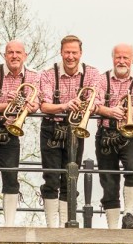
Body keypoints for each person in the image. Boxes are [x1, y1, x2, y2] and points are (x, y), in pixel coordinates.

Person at [37, 35, 104, 228]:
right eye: (67, 52)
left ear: (80, 53)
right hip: (51, 127)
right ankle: (51, 226)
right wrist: (66, 105)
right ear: (61, 52)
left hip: (75, 129)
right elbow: (44, 106)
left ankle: (67, 223)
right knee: (50, 177)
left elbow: (96, 101)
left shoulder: (92, 73)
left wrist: (84, 105)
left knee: (70, 177)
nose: (71, 56)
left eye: (74, 52)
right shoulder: (49, 74)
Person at [0, 40, 39, 226]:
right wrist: (13, 104)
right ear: (5, 56)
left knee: (11, 176)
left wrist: (28, 105)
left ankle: (9, 226)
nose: (14, 56)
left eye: (18, 52)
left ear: (25, 56)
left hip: (10, 129)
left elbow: (35, 103)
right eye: (10, 52)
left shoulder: (33, 76)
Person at [94, 44, 133, 229]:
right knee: (108, 178)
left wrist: (130, 110)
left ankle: (129, 214)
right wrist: (110, 111)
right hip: (105, 133)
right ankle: (111, 226)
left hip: (130, 134)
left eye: (126, 58)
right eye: (118, 57)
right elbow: (95, 104)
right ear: (112, 58)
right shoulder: (101, 79)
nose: (122, 61)